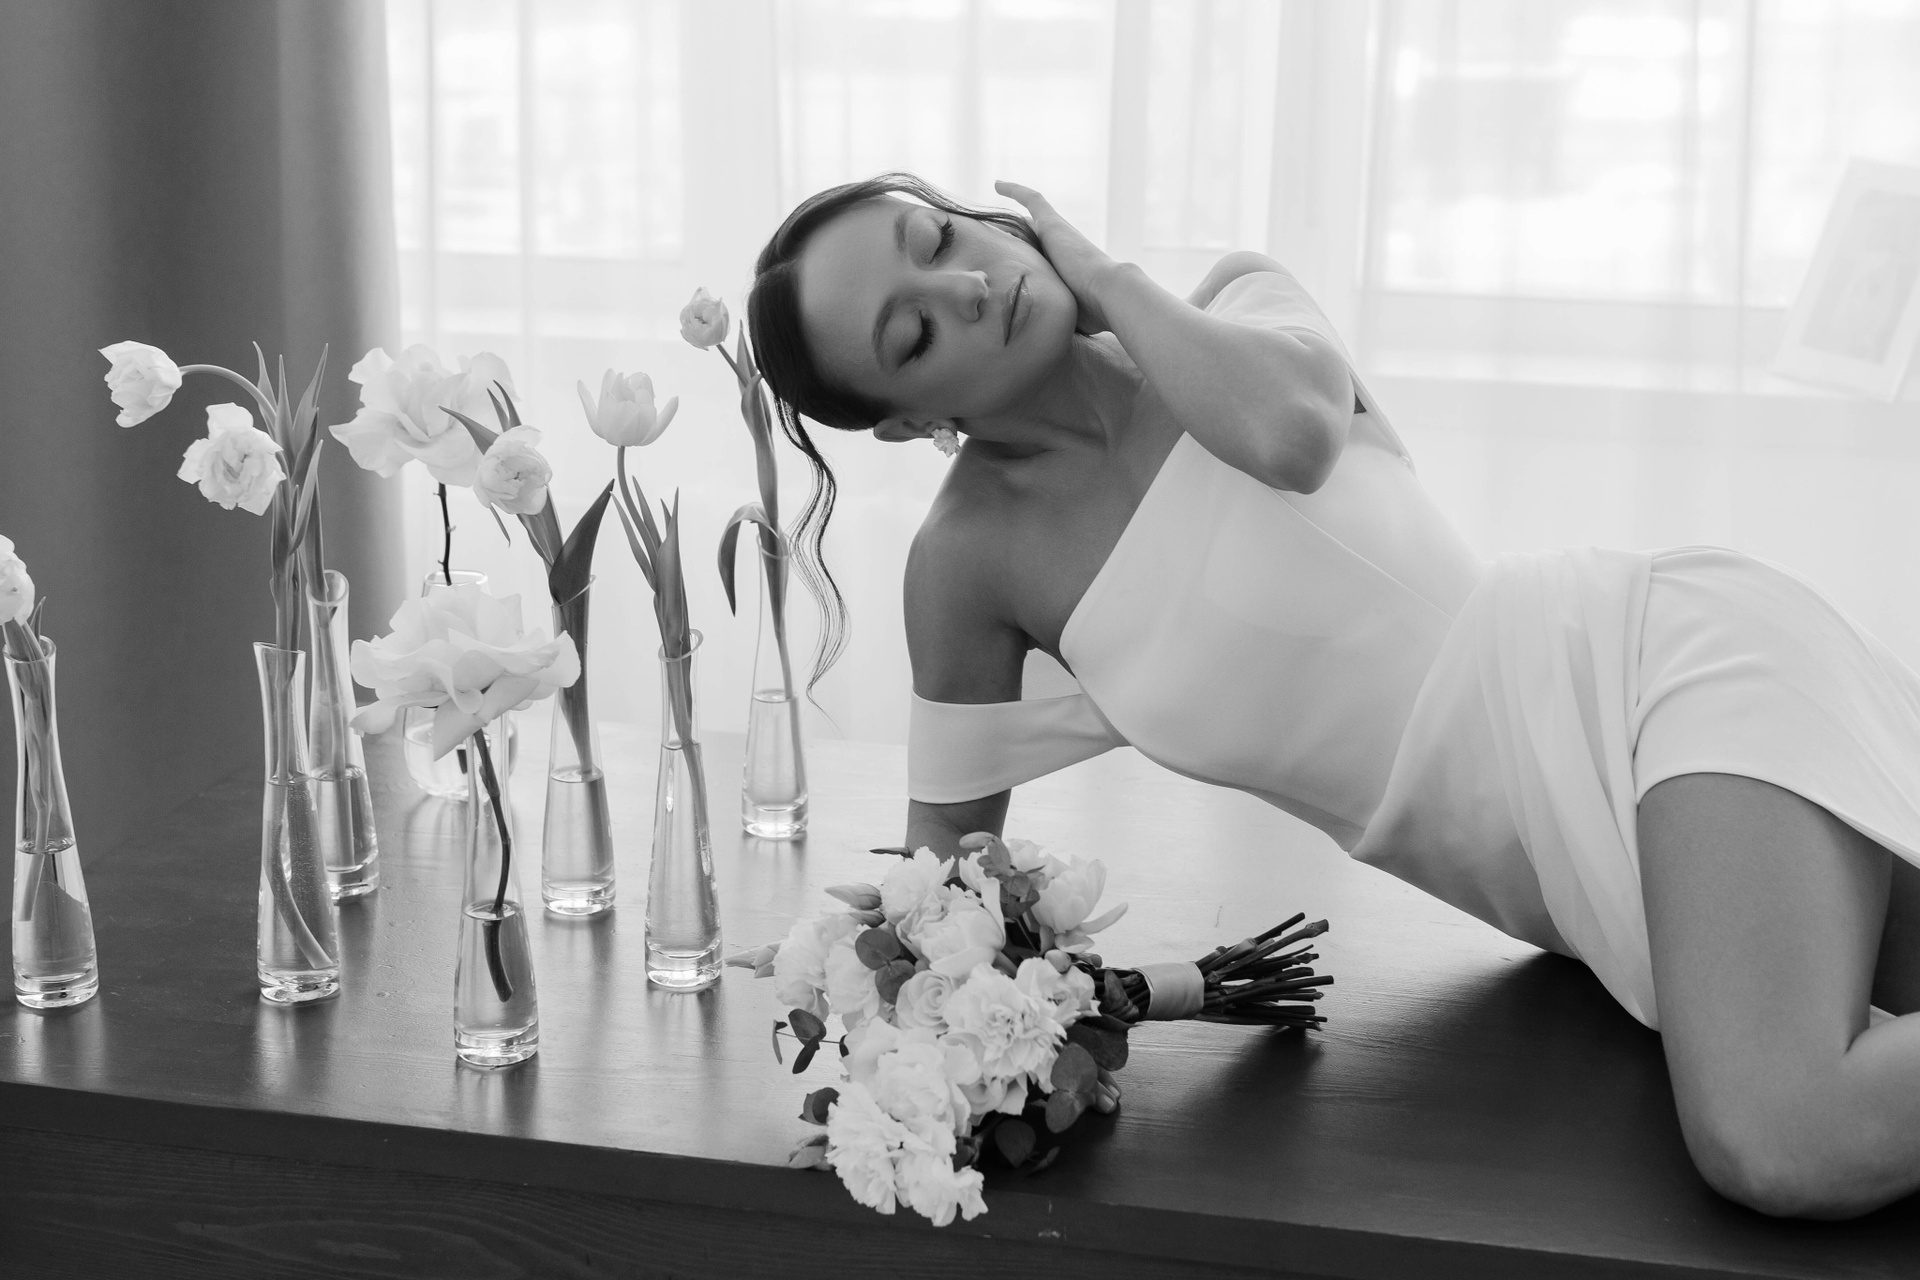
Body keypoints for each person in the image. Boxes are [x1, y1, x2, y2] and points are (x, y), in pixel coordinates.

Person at [743, 172, 1920, 1220]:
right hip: (1572, 885)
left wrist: (1104, 276)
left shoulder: (1238, 306)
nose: (966, 285)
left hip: (1648, 680)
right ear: (909, 420)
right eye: (913, 331)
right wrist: (890, 1045)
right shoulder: (970, 565)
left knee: (1781, 1133)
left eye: (940, 236)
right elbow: (939, 884)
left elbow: (1291, 434)